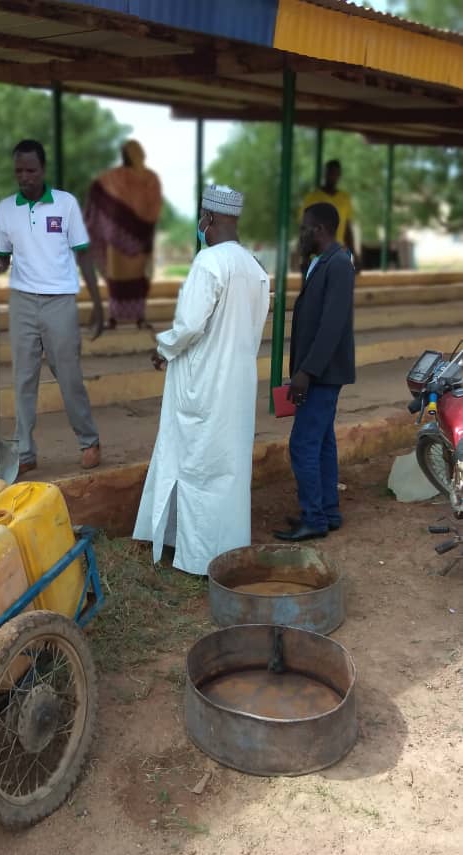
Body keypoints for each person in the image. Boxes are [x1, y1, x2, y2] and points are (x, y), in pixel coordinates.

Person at [133, 185, 270, 575]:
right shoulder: (255, 267)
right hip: (238, 384)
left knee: (197, 467)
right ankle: (227, 551)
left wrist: (164, 348)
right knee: (228, 470)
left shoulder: (209, 263)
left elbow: (190, 325)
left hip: (204, 384)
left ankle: (197, 557)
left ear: (208, 219)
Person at [0, 139, 104, 478]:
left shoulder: (66, 204)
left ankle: (89, 441)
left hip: (60, 301)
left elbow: (83, 254)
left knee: (68, 376)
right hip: (22, 300)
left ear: (43, 170)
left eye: (31, 170)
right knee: (23, 378)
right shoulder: (6, 209)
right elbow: (5, 256)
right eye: (19, 171)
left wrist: (96, 303)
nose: (24, 176)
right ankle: (24, 451)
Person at [273, 202, 356, 542]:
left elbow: (331, 326)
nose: (301, 235)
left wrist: (306, 372)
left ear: (319, 230)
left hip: (322, 373)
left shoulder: (338, 264)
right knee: (321, 442)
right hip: (319, 372)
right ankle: (328, 512)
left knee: (303, 444)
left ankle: (314, 518)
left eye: (305, 228)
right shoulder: (321, 262)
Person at [84, 140, 162, 330]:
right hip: (117, 236)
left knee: (140, 278)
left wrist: (144, 217)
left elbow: (155, 203)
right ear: (126, 154)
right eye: (133, 150)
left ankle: (139, 317)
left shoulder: (151, 177)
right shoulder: (115, 177)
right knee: (116, 278)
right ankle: (114, 317)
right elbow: (99, 188)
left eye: (139, 148)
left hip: (141, 234)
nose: (138, 152)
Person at [299, 160, 358, 271]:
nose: (333, 176)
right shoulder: (312, 198)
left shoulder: (345, 199)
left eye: (336, 173)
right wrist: (304, 256)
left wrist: (354, 255)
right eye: (330, 172)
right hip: (316, 254)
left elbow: (347, 229)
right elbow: (304, 228)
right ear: (325, 174)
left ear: (339, 175)